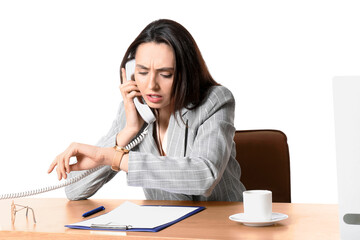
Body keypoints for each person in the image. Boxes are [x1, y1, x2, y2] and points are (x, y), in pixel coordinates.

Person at [47, 19, 246, 201]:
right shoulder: (134, 109)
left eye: (166, 74)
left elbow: (204, 175)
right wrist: (128, 131)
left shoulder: (215, 101)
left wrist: (114, 157)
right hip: (165, 228)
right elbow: (74, 191)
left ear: (187, 74)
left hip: (219, 227)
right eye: (142, 72)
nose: (151, 85)